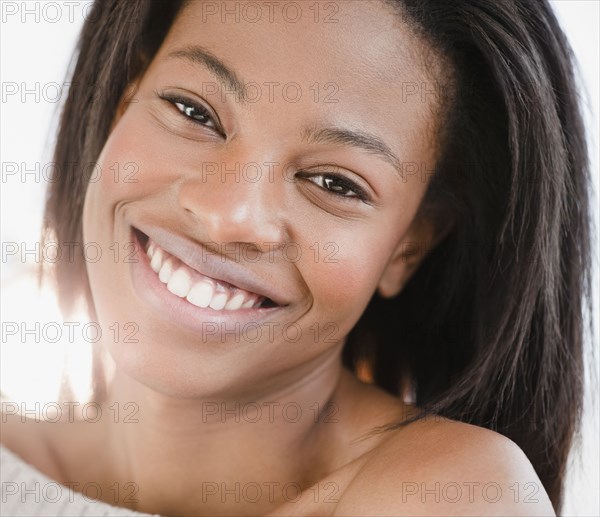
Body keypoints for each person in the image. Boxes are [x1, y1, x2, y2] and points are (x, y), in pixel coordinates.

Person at [1, 0, 593, 515]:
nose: (227, 213)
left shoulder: (459, 496)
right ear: (124, 100)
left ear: (408, 246)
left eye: (334, 183)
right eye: (194, 111)